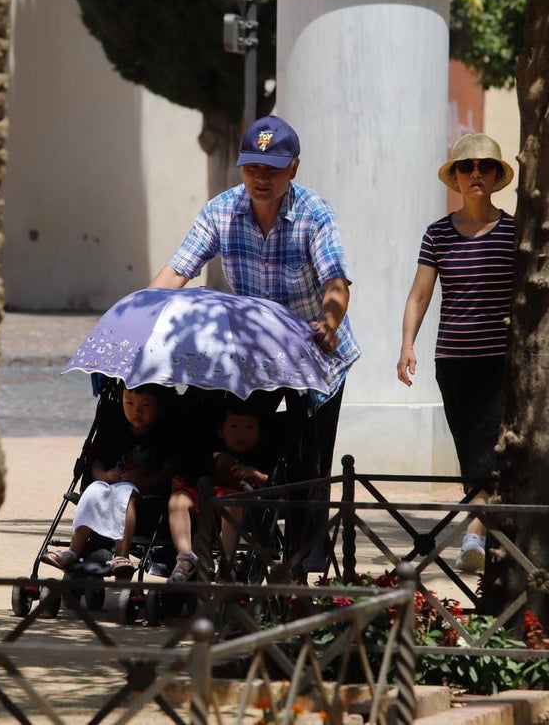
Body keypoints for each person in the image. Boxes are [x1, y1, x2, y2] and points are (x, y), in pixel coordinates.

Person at [148, 114, 360, 575]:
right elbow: (178, 270)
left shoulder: (314, 214)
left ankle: (305, 568)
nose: (261, 178)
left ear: (294, 169)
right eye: (252, 168)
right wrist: (143, 311)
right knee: (243, 449)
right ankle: (231, 553)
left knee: (309, 463)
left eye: (273, 169)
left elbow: (336, 282)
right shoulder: (221, 211)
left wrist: (329, 321)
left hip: (314, 356)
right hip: (254, 360)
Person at [396, 133, 516, 574]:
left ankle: (474, 534)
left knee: (487, 446)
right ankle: (485, 529)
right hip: (452, 362)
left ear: (498, 175)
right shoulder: (438, 233)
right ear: (457, 178)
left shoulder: (513, 231)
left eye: (485, 166)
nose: (476, 174)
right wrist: (407, 346)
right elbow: (419, 296)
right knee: (469, 448)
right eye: (467, 167)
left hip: (499, 362)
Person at [41, 383, 176, 578]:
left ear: (160, 408)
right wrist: (104, 476)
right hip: (109, 488)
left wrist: (144, 481)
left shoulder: (164, 434)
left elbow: (168, 473)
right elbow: (95, 463)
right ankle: (73, 550)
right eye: (128, 403)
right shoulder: (114, 426)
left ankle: (122, 553)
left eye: (145, 406)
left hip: (147, 499)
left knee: (125, 492)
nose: (135, 412)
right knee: (94, 489)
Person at [166, 396, 271, 584]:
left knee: (232, 503)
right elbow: (191, 469)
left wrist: (255, 474)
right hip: (203, 496)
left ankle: (226, 563)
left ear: (260, 432)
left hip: (237, 503)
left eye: (249, 428)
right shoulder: (208, 447)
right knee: (177, 500)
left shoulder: (262, 453)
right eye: (233, 427)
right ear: (220, 431)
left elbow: (272, 482)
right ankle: (185, 558)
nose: (241, 434)